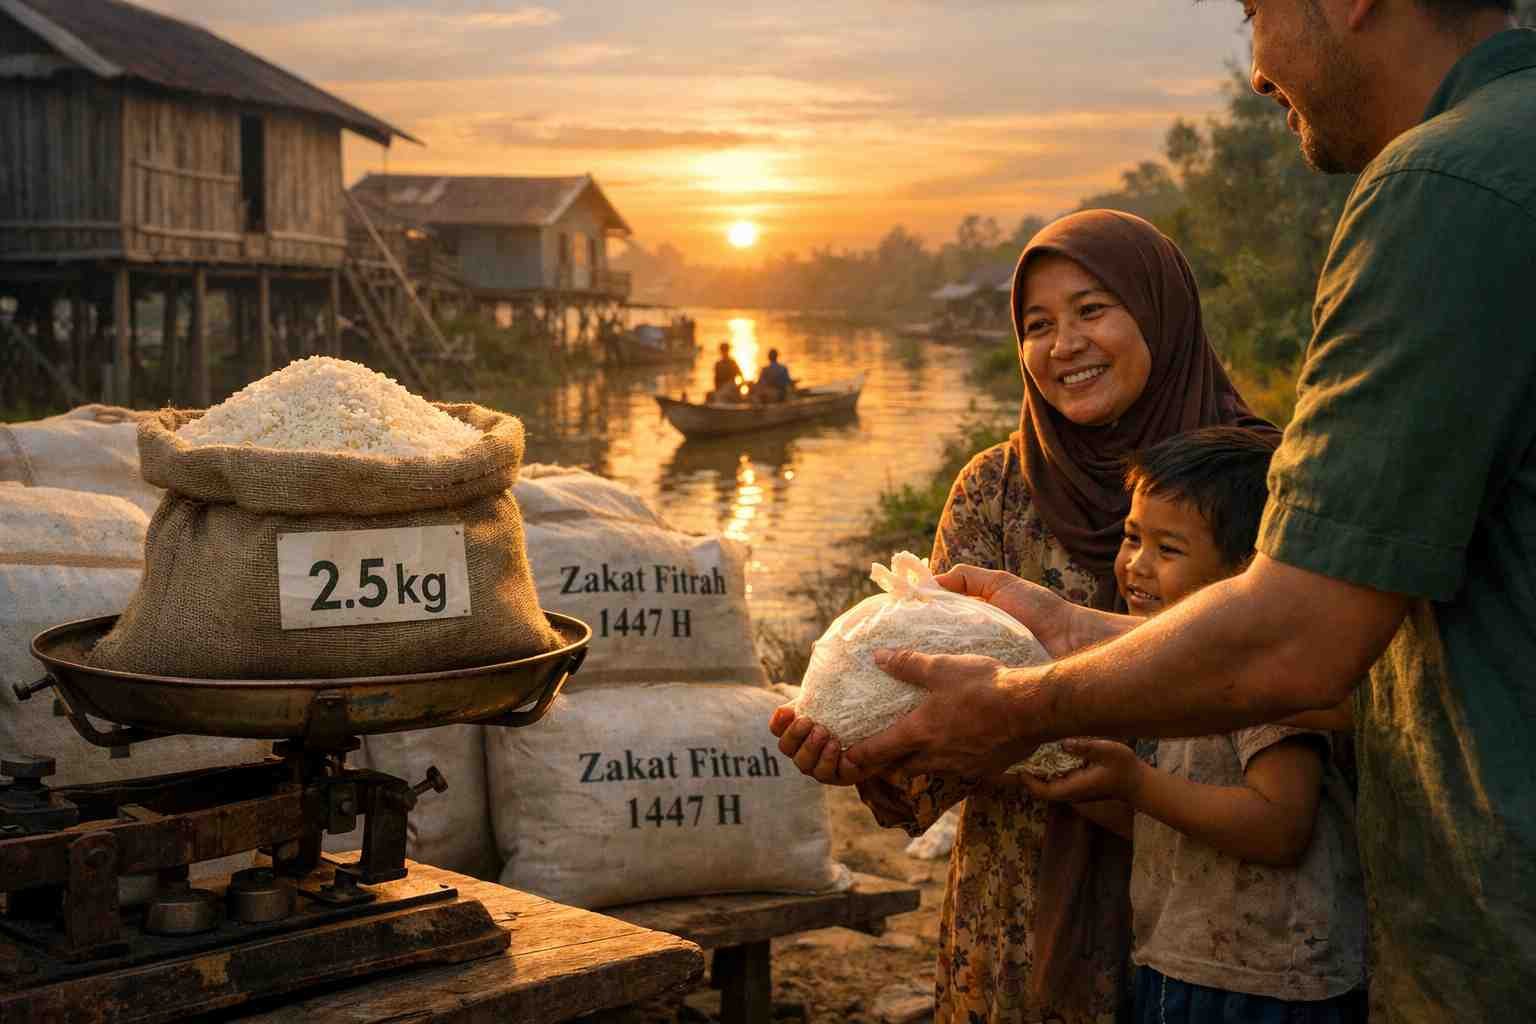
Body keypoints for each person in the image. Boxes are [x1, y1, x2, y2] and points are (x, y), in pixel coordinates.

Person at [774, 6, 1536, 1021]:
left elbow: (1296, 658)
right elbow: (1373, 662)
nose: (1254, 63)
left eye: (1255, 7)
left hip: (1266, 949)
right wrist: (1006, 673)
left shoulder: (1432, 202)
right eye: (1037, 324)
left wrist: (1028, 699)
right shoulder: (995, 489)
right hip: (1036, 933)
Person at [777, 208, 1276, 1024]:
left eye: (1091, 310)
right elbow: (932, 713)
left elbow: (1303, 709)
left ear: (1160, 312)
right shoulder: (994, 489)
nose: (1064, 345)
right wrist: (864, 750)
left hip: (1221, 912)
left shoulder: (1257, 482)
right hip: (1021, 894)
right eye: (1037, 325)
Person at [1029, 426, 1366, 1024]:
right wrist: (1075, 778)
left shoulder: (1258, 681)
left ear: (1245, 577)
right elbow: (1177, 822)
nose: (1136, 566)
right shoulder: (1171, 675)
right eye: (1132, 537)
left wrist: (1135, 782)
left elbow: (1280, 828)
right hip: (1184, 961)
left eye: (1168, 550)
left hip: (1266, 984)